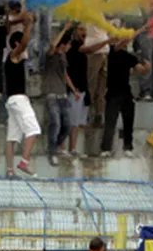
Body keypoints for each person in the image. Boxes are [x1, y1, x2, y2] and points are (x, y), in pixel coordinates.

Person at [99, 35, 151, 157]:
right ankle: (106, 148)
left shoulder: (129, 57)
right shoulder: (111, 52)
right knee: (110, 122)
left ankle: (128, 147)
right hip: (112, 92)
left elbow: (141, 70)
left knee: (129, 121)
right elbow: (113, 47)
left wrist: (147, 68)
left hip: (126, 92)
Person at [3, 20, 40, 178]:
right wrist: (29, 25)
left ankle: (10, 171)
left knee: (11, 137)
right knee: (33, 130)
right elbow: (24, 43)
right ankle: (24, 161)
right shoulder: (13, 56)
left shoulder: (12, 60)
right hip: (19, 100)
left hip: (12, 101)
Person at [43, 23, 80, 166]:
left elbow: (65, 75)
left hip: (63, 95)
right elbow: (52, 46)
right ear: (63, 45)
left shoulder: (63, 58)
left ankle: (55, 146)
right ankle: (52, 151)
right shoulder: (51, 55)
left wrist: (73, 90)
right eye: (68, 44)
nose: (69, 47)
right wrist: (64, 29)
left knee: (68, 125)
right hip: (52, 94)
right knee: (55, 123)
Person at [65, 23, 92, 157]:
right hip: (73, 90)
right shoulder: (73, 47)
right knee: (71, 121)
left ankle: (73, 148)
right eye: (81, 29)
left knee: (78, 123)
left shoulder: (82, 51)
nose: (84, 32)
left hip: (82, 89)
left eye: (85, 30)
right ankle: (66, 148)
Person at [84, 22, 114, 127]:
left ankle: (99, 115)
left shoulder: (104, 15)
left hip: (104, 52)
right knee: (91, 84)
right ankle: (87, 114)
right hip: (94, 52)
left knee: (102, 87)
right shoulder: (92, 12)